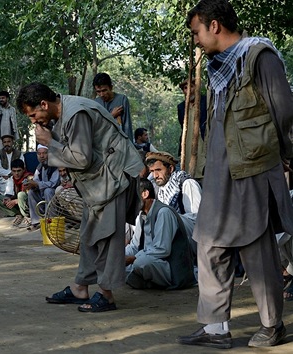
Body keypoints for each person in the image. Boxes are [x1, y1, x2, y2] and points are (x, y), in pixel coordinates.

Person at [177, 0, 293, 349]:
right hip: (219, 174)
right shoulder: (218, 67)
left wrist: (286, 157)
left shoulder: (260, 57)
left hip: (253, 168)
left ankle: (272, 326)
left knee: (255, 246)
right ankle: (215, 328)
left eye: (197, 31)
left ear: (214, 26)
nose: (196, 40)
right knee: (209, 244)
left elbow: (284, 112)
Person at [17, 82, 142, 313]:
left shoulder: (76, 113)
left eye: (34, 114)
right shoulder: (65, 112)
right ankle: (80, 287)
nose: (34, 121)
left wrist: (49, 143)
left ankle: (106, 295)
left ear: (44, 104)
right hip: (100, 182)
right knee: (88, 234)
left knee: (106, 236)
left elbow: (81, 159)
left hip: (114, 178)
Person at [125, 179, 195, 290]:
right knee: (120, 267)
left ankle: (150, 281)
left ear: (145, 194)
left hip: (171, 266)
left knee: (141, 263)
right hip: (155, 262)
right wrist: (119, 258)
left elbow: (162, 249)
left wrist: (132, 258)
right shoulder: (142, 216)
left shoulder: (163, 212)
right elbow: (134, 246)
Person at [145, 151, 201, 256]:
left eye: (158, 170)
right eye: (152, 171)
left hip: (191, 237)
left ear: (170, 169)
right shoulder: (160, 189)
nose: (155, 175)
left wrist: (169, 219)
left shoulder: (186, 183)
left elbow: (196, 219)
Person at [177, 79, 207, 179]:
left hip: (202, 141)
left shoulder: (205, 101)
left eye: (191, 87)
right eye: (186, 88)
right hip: (188, 144)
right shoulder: (181, 107)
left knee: (203, 166)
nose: (189, 90)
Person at [25, 144, 59, 231]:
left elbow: (53, 183)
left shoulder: (55, 166)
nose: (42, 156)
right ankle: (36, 222)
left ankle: (51, 221)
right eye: (39, 154)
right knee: (31, 192)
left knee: (48, 191)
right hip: (43, 196)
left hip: (55, 195)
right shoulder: (39, 167)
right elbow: (36, 181)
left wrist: (37, 184)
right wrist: (31, 185)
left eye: (44, 153)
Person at [93, 73, 134, 143]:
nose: (101, 94)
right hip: (102, 143)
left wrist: (130, 146)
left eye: (104, 90)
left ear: (111, 87)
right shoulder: (95, 103)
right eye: (98, 92)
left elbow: (127, 126)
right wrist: (111, 116)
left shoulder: (122, 100)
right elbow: (96, 127)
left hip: (119, 142)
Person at [0, 158, 32, 228]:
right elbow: (12, 194)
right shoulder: (12, 179)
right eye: (14, 171)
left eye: (19, 171)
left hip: (30, 206)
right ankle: (18, 215)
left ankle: (27, 217)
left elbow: (31, 197)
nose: (16, 173)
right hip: (19, 203)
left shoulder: (29, 178)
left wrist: (16, 201)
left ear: (23, 170)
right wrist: (8, 199)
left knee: (21, 195)